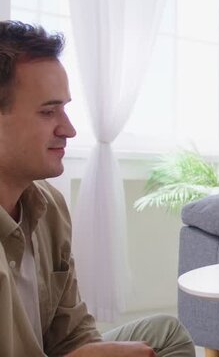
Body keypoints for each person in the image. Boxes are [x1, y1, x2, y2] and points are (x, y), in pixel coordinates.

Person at [0, 21, 195, 356]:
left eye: (65, 107)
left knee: (166, 334)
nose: (69, 129)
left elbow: (72, 335)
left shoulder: (49, 207)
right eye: (49, 111)